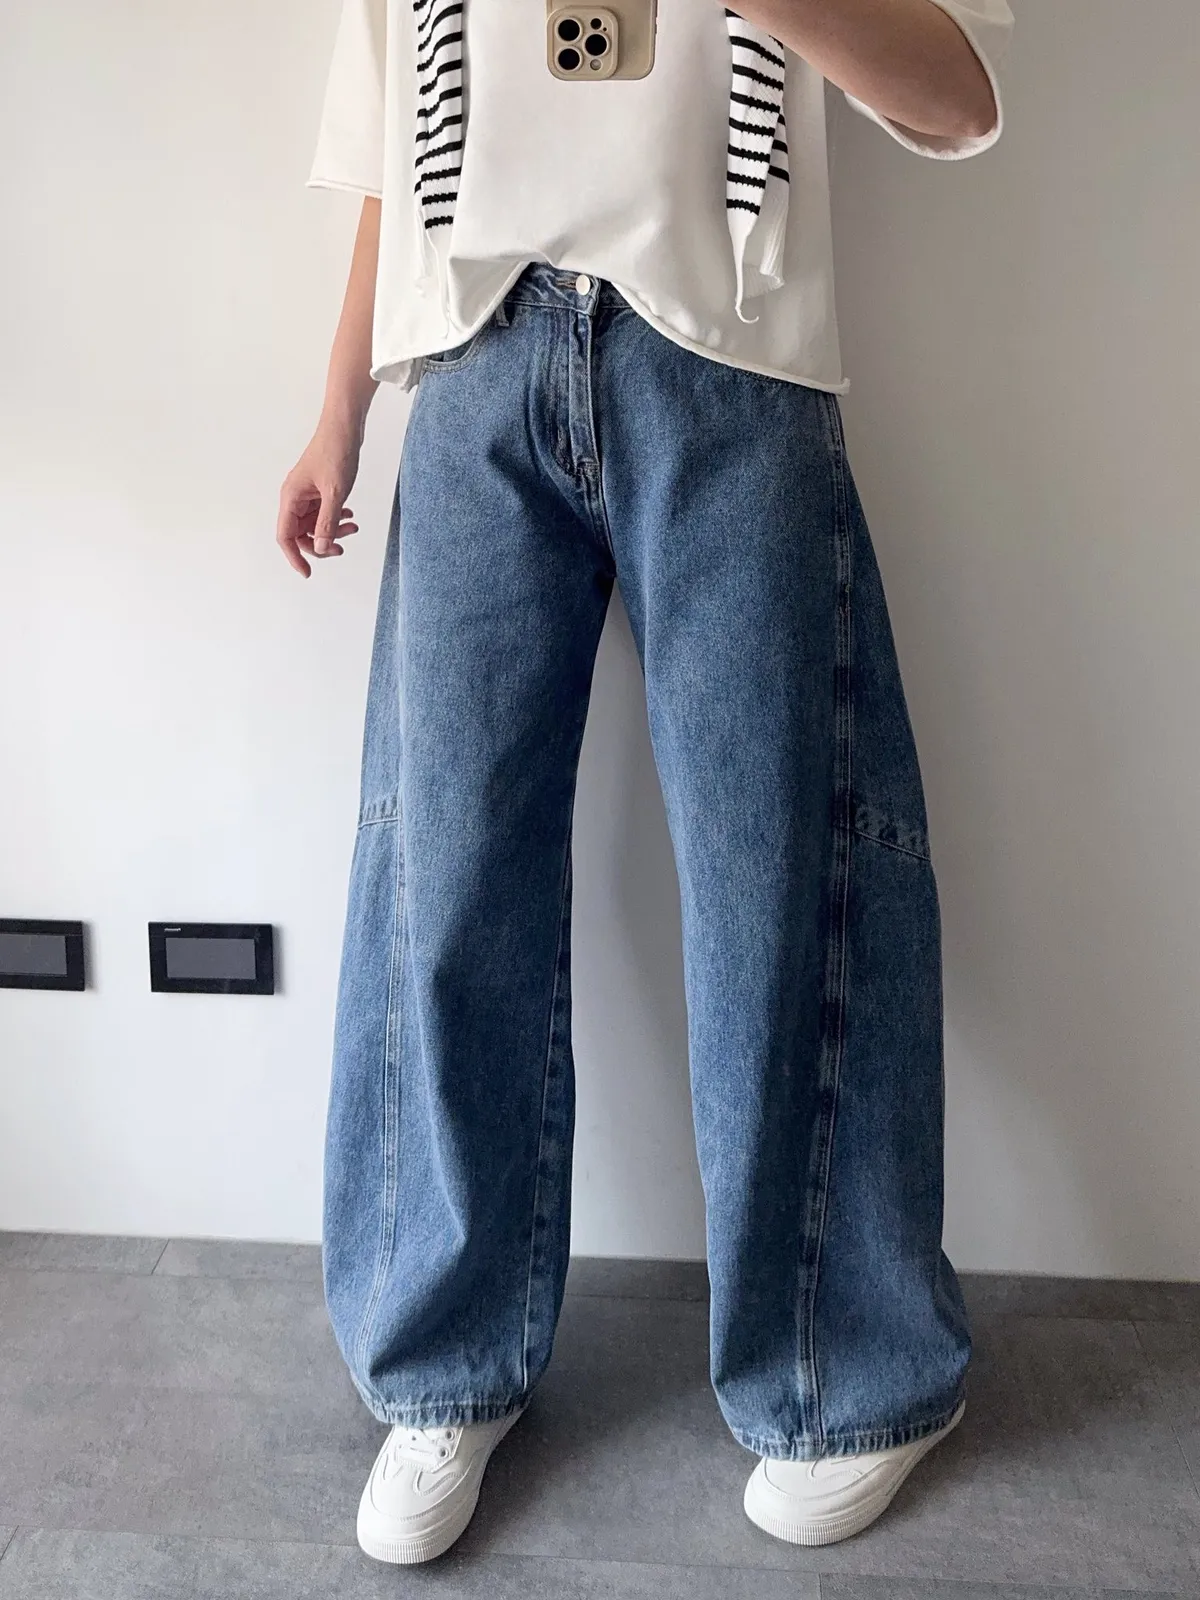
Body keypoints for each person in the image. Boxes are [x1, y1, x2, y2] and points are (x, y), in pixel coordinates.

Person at [278, 0, 1013, 1566]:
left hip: (728, 359)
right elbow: (391, 156)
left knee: (782, 870)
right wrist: (338, 410)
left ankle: (849, 1373)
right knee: (442, 869)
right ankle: (445, 1360)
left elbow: (954, 96)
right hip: (472, 361)